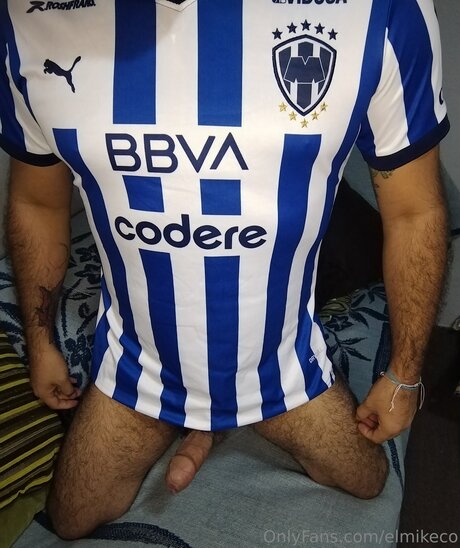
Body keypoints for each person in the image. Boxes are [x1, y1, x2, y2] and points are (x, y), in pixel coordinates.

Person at [0, 0, 449, 540]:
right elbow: (37, 201)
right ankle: (205, 422)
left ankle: (211, 426)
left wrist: (404, 374)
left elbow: (415, 210)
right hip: (139, 369)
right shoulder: (24, 19)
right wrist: (41, 342)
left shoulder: (383, 9)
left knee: (367, 481)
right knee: (70, 521)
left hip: (279, 371)